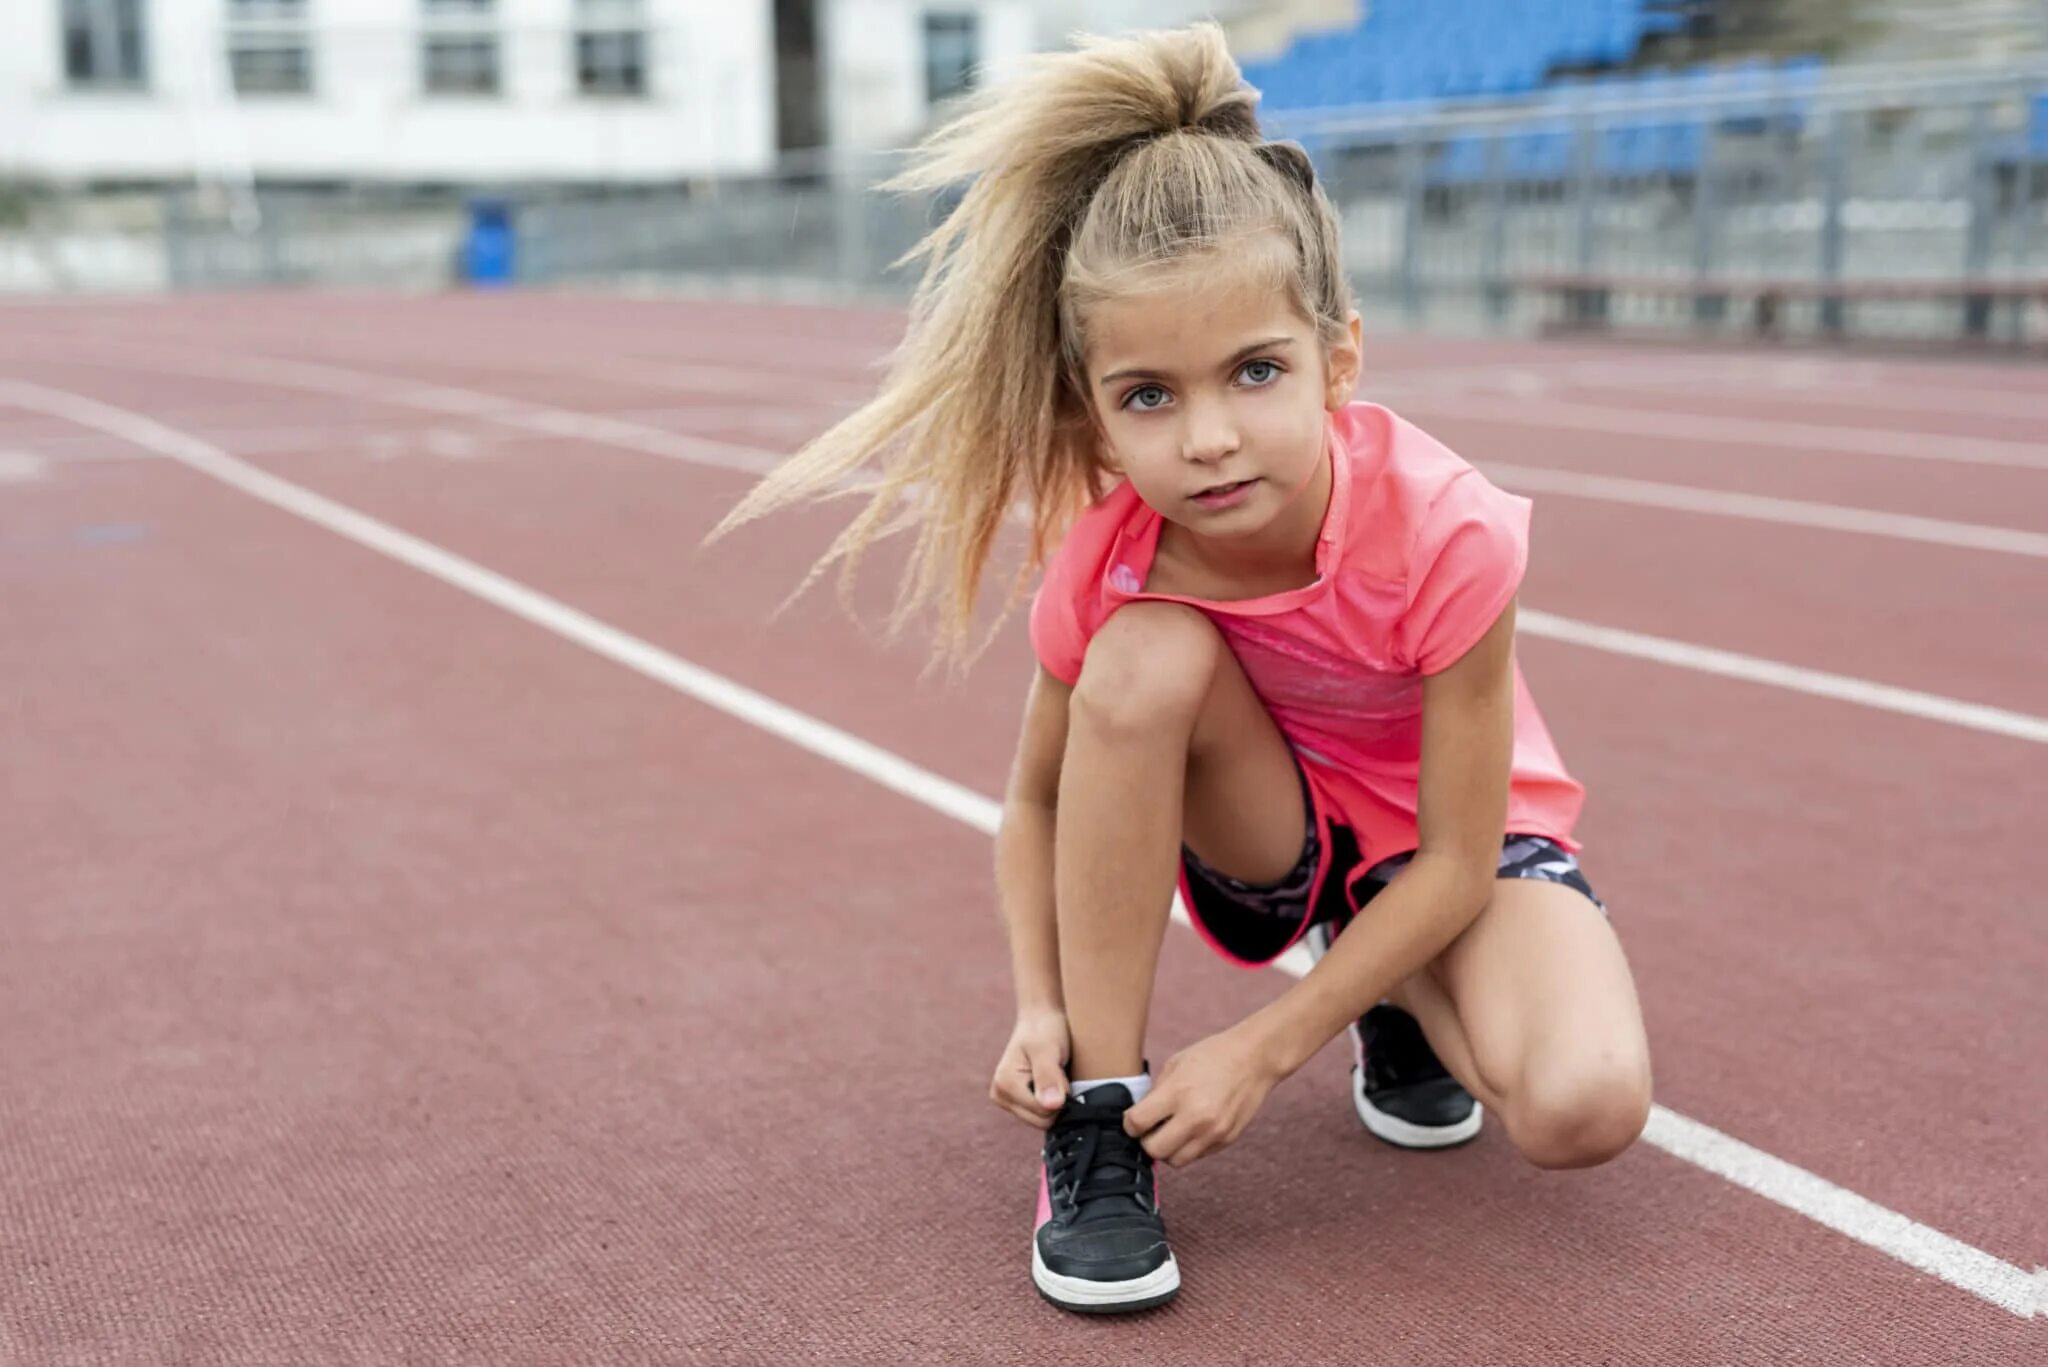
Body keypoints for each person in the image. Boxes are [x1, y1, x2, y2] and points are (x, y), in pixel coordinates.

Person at [712, 23, 1653, 1316]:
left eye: (1256, 374)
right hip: (1263, 834)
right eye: (1149, 397)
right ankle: (1097, 1125)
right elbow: (1036, 802)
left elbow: (1452, 856)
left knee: (1579, 1105)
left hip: (1441, 851)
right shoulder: (1111, 563)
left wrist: (1266, 1051)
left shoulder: (1450, 530)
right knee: (1146, 653)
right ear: (1093, 411)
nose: (1209, 440)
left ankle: (1390, 1004)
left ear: (1340, 360)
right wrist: (1038, 1009)